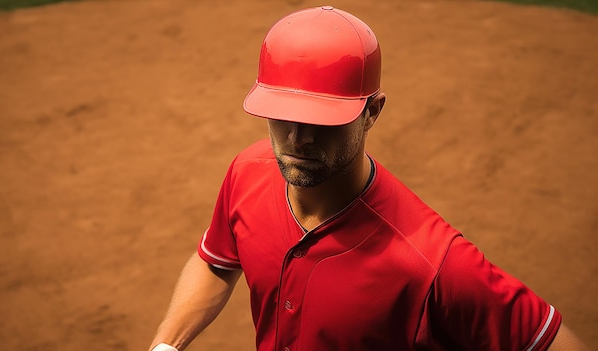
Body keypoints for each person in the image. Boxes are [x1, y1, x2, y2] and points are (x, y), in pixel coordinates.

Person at [148, 6, 588, 351]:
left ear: (372, 112)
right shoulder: (248, 172)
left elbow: (549, 342)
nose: (298, 138)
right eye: (282, 116)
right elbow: (216, 261)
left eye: (322, 120)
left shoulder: (434, 264)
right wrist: (167, 344)